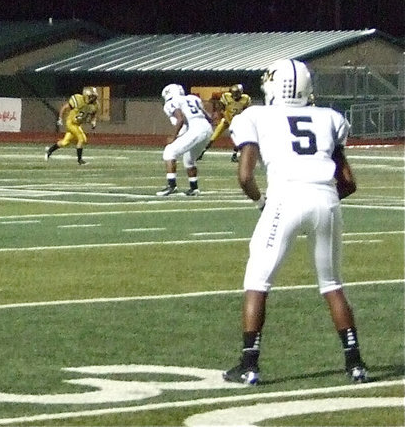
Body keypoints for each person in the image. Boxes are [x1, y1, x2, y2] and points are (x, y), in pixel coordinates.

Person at [221, 59, 368, 385]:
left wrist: (262, 203)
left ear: (274, 85)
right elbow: (348, 182)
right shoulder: (328, 117)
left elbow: (245, 176)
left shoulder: (255, 116)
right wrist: (320, 201)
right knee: (331, 284)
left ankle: (249, 365)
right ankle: (356, 363)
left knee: (258, 280)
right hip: (326, 199)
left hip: (284, 199)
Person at [155, 83, 212, 196]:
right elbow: (209, 117)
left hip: (196, 129)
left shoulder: (172, 102)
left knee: (169, 152)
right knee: (189, 159)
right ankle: (194, 188)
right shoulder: (193, 98)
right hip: (207, 129)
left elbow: (180, 119)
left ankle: (172, 186)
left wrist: (173, 136)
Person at [44, 86, 99, 165]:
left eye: (94, 96)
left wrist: (93, 122)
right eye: (91, 96)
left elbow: (93, 115)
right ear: (85, 95)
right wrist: (60, 118)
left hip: (77, 124)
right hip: (71, 123)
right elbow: (64, 108)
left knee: (65, 142)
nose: (93, 98)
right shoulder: (78, 99)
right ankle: (80, 161)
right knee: (81, 139)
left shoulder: (95, 105)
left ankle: (49, 150)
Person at [200, 84, 252, 162]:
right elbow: (221, 109)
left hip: (238, 122)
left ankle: (234, 155)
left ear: (240, 92)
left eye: (237, 93)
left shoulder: (246, 99)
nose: (235, 95)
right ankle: (201, 153)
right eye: (234, 93)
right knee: (213, 137)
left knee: (238, 138)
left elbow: (246, 111)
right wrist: (226, 118)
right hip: (226, 120)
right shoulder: (226, 97)